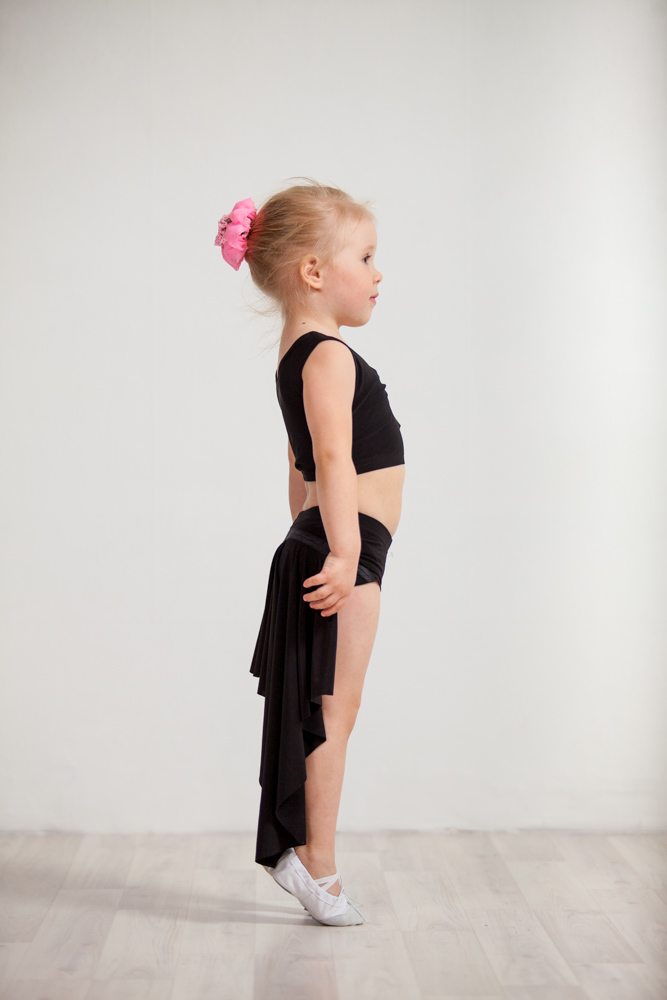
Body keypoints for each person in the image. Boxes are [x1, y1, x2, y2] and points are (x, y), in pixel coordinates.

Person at [214, 180, 405, 925]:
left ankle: (309, 855)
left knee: (328, 710)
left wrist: (310, 533)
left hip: (325, 541)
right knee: (334, 713)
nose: (378, 273)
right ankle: (316, 865)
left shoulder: (298, 355)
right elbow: (331, 458)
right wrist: (341, 553)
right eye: (366, 257)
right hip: (342, 550)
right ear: (314, 272)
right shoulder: (328, 355)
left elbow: (299, 466)